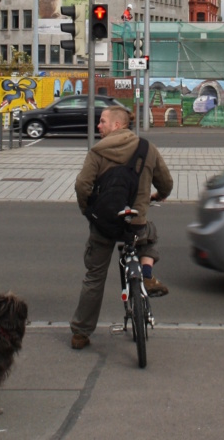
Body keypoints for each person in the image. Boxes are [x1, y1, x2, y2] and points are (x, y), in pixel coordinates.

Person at [70, 106, 173, 351]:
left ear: (116, 125)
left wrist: (89, 213)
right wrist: (158, 195)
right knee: (149, 233)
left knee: (94, 277)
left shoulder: (97, 151)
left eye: (102, 121)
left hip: (104, 225)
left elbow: (82, 186)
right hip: (134, 224)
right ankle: (146, 275)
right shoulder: (147, 149)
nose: (98, 126)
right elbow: (166, 183)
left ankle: (81, 334)